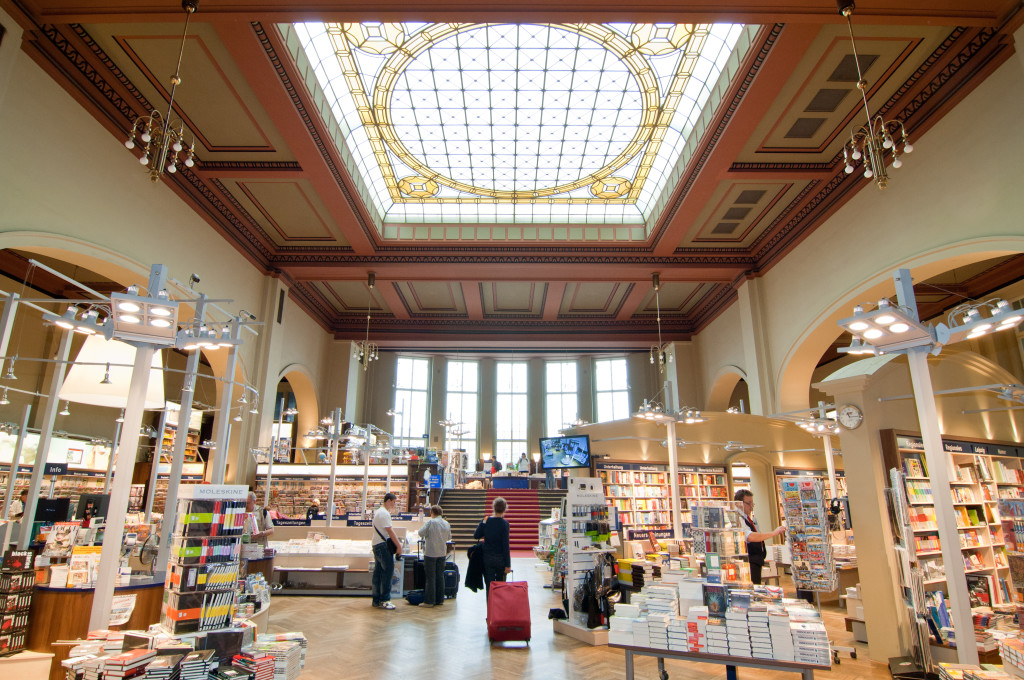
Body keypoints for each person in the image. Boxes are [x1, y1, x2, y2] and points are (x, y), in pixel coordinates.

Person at [735, 489, 785, 585]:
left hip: (756, 561)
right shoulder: (738, 518)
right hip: (750, 561)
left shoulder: (748, 518)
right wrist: (774, 533)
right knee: (752, 586)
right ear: (739, 504)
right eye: (748, 503)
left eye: (752, 503)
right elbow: (750, 537)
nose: (751, 507)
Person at [371, 492, 403, 609]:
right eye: (394, 502)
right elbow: (390, 531)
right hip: (383, 547)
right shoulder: (385, 514)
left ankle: (376, 599)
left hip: (376, 545)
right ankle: (385, 600)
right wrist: (399, 546)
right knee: (388, 572)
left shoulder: (379, 512)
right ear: (388, 501)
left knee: (378, 573)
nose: (394, 505)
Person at [474, 496, 511, 593]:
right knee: (500, 586)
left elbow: (476, 535)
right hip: (501, 559)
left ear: (493, 507)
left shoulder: (486, 521)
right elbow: (505, 545)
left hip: (487, 558)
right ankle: (498, 607)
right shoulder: (505, 524)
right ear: (505, 509)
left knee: (489, 587)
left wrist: (483, 523)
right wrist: (508, 564)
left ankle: (490, 607)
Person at [419, 505, 452, 608]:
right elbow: (449, 537)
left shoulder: (431, 522)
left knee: (430, 577)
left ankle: (429, 601)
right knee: (440, 576)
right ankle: (439, 599)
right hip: (442, 553)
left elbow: (421, 533)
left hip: (430, 553)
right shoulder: (446, 523)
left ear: (432, 512)